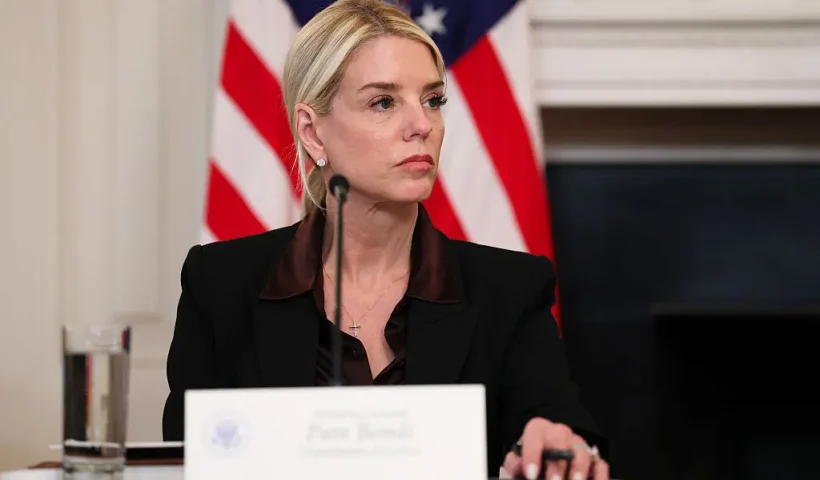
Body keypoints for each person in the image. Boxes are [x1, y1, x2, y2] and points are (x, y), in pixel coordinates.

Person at [162, 1, 608, 478]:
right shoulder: (220, 283)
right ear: (313, 133)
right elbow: (183, 460)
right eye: (384, 102)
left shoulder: (511, 288)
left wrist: (556, 443)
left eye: (433, 100)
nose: (422, 125)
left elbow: (555, 425)